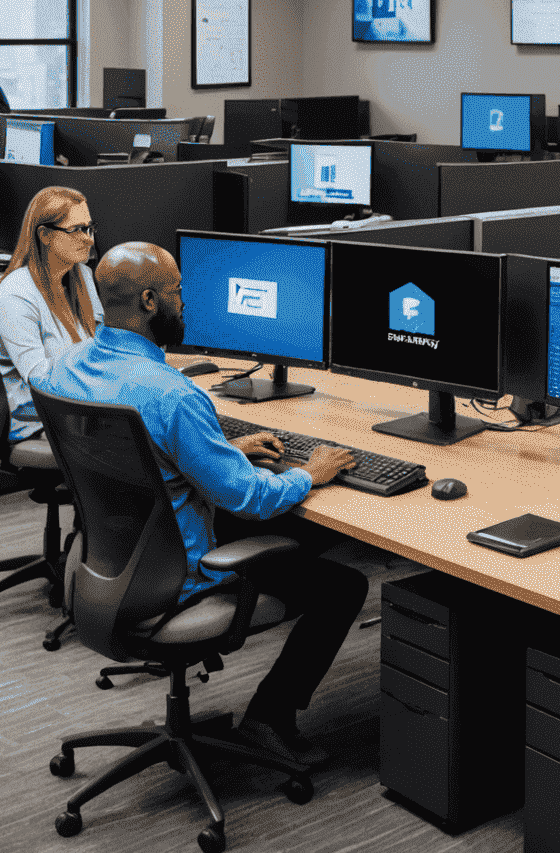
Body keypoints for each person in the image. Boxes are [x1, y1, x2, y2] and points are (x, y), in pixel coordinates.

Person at [41, 242, 367, 768]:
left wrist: (218, 451)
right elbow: (251, 498)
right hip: (177, 579)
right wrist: (314, 470)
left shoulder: (67, 365)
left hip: (105, 564)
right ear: (150, 301)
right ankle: (270, 717)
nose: (185, 304)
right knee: (342, 584)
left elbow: (134, 456)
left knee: (305, 540)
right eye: (177, 293)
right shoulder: (173, 396)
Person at [0, 186, 103, 439]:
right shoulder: (17, 296)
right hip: (42, 421)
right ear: (45, 235)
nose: (90, 239)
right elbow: (41, 381)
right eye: (77, 230)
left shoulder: (81, 275)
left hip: (86, 407)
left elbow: (101, 343)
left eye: (90, 227)